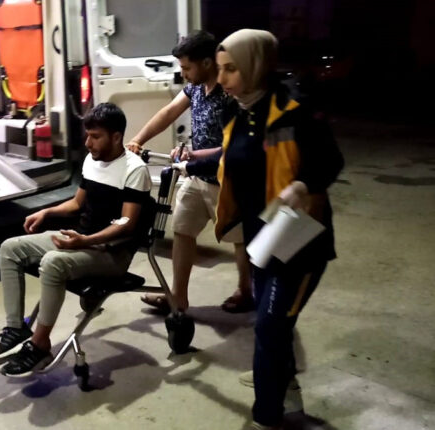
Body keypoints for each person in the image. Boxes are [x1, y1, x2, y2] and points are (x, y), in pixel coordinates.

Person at [214, 29, 344, 429]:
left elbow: (330, 160)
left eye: (230, 69)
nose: (221, 79)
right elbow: (233, 159)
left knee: (271, 326)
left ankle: (267, 417)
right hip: (262, 239)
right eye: (219, 69)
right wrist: (188, 164)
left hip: (299, 242)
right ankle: (285, 390)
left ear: (255, 65)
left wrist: (303, 185)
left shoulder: (295, 108)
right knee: (274, 327)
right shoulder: (236, 113)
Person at [0, 103, 152, 377]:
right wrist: (47, 211)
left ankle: (40, 344)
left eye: (95, 136)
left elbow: (126, 223)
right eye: (87, 136)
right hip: (82, 240)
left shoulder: (135, 170)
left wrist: (84, 242)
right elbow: (77, 203)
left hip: (112, 252)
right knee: (10, 248)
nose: (88, 143)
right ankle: (16, 328)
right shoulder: (91, 160)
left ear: (116, 137)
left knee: (53, 262)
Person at [126, 30, 252, 313]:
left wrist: (194, 155)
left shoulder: (230, 94)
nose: (183, 74)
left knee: (239, 239)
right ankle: (177, 298)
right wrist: (138, 139)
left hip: (226, 180)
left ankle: (246, 291)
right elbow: (168, 113)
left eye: (186, 67)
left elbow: (233, 147)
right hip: (195, 176)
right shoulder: (195, 88)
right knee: (182, 230)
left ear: (207, 62)